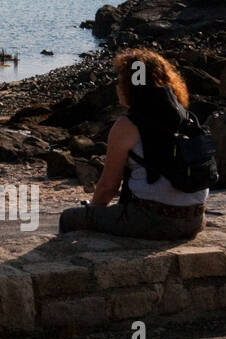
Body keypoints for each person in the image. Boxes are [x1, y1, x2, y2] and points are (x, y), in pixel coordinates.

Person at [58, 48, 207, 240]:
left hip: (154, 219)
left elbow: (108, 187)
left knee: (69, 218)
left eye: (120, 81)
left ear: (132, 86)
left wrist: (92, 213)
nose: (117, 86)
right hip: (195, 219)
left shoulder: (128, 125)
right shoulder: (186, 117)